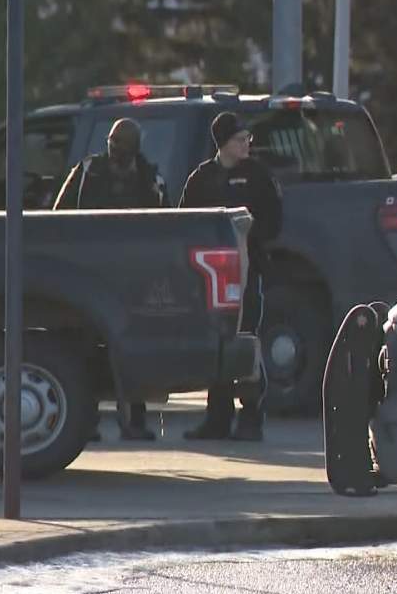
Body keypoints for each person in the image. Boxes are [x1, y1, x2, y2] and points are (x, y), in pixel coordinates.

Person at [54, 118, 167, 440]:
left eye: (122, 143)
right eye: (112, 142)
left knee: (132, 348)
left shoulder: (149, 178)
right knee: (84, 348)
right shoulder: (89, 172)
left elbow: (165, 221)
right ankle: (85, 421)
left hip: (132, 276)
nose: (115, 148)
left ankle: (134, 420)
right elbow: (59, 215)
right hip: (88, 274)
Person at [179, 112, 283, 441]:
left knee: (247, 341)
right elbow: (186, 223)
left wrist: (249, 234)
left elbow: (274, 222)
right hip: (211, 278)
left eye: (247, 139)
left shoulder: (257, 176)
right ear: (222, 143)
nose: (246, 145)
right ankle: (217, 418)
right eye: (239, 140)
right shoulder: (202, 179)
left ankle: (251, 417)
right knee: (218, 343)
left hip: (247, 271)